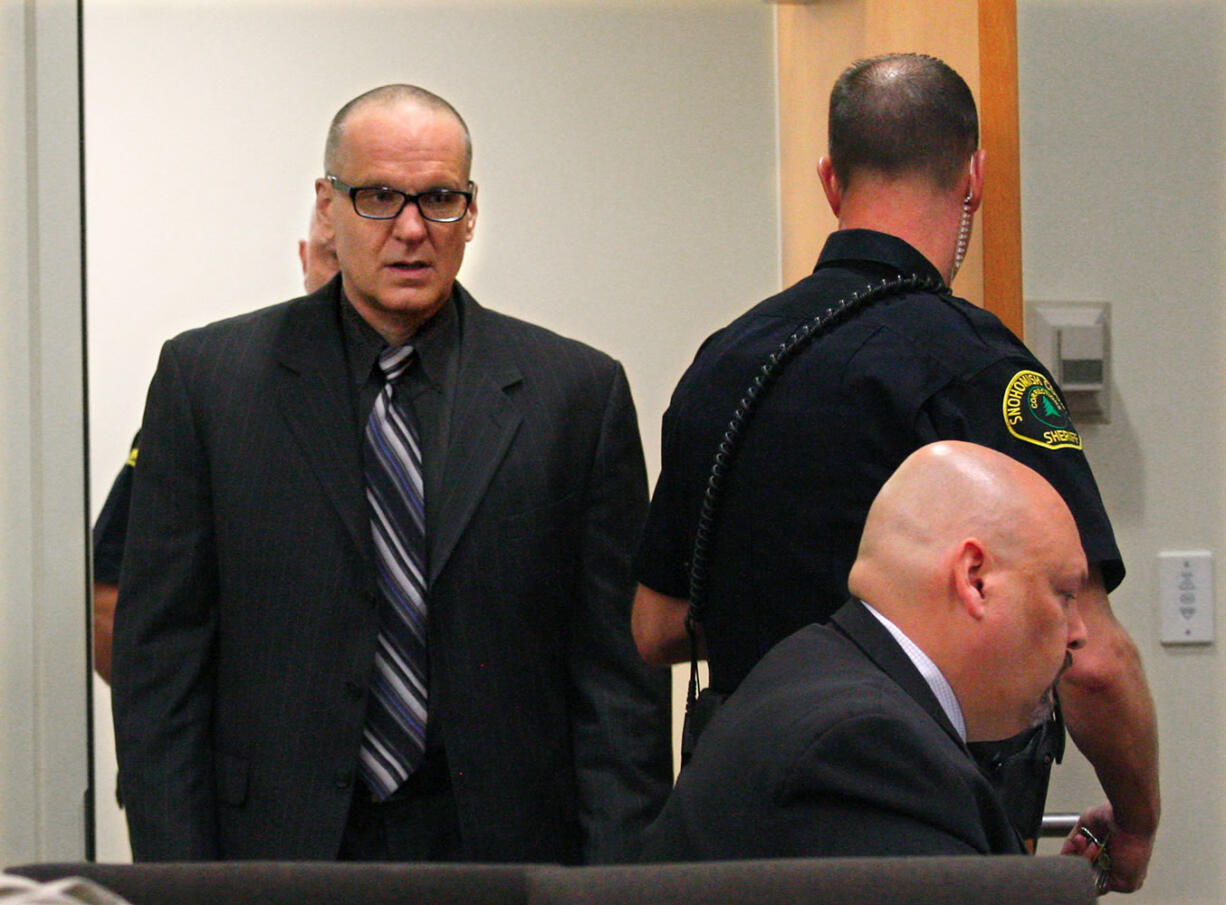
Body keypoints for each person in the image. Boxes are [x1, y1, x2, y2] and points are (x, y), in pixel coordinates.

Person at [632, 53, 1157, 891]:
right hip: (930, 822)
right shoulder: (979, 368)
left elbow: (658, 627)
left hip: (742, 814)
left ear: (829, 178)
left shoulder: (726, 361)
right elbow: (1087, 653)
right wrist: (1135, 822)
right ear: (975, 176)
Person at [112, 84, 672, 863]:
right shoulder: (210, 383)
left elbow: (618, 686)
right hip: (276, 848)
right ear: (328, 206)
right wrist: (179, 877)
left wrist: (619, 882)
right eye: (379, 197)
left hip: (504, 849)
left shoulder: (575, 395)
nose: (412, 229)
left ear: (471, 212)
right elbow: (160, 669)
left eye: (439, 198)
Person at [643, 442, 1091, 861]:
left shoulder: (819, 670)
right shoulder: (867, 747)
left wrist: (1047, 885)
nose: (1078, 633)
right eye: (1065, 594)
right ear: (975, 579)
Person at [91, 207, 339, 685]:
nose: (345, 280)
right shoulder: (214, 396)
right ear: (304, 259)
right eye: (332, 256)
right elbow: (108, 596)